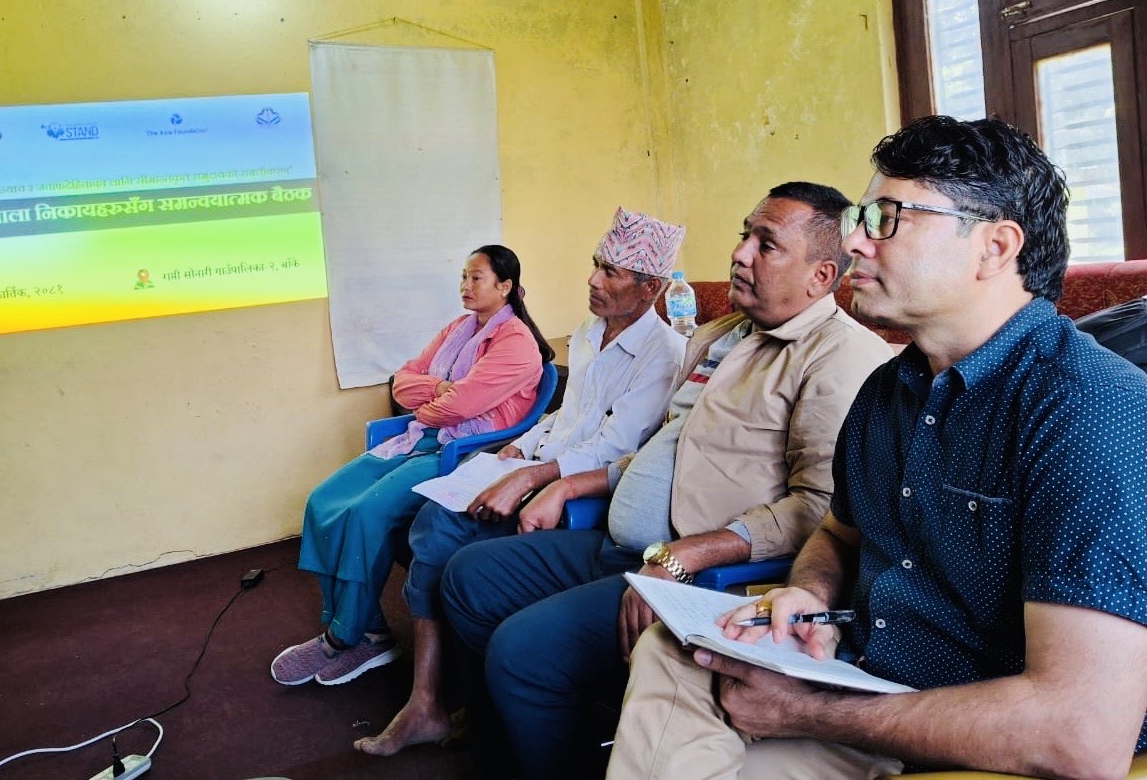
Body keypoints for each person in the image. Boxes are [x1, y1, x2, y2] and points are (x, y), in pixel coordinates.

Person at [610, 116, 1147, 779]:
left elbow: (1081, 737)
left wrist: (802, 712)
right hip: (869, 691)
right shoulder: (889, 389)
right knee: (677, 650)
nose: (855, 240)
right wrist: (806, 593)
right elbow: (839, 532)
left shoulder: (1085, 408)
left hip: (983, 741)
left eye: (886, 218)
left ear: (994, 247)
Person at [439, 183, 894, 778]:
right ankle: (518, 733)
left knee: (522, 653)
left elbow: (821, 507)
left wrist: (684, 556)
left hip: (704, 574)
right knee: (468, 576)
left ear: (820, 275)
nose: (740, 254)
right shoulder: (719, 335)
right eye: (744, 235)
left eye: (767, 245)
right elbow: (663, 448)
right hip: (627, 545)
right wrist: (571, 485)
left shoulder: (838, 357)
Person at [352, 206, 688, 756]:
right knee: (433, 517)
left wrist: (533, 473)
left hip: (585, 495)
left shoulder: (664, 354)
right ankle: (442, 698)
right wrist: (520, 446)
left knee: (446, 539)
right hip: (541, 467)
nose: (592, 280)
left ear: (650, 288)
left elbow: (618, 446)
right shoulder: (588, 333)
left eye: (610, 272)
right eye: (595, 265)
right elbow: (566, 415)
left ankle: (438, 700)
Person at [270, 244, 553, 688]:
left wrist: (436, 400)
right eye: (463, 276)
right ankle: (369, 627)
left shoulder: (517, 343)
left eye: (476, 277)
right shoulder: (459, 328)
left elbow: (462, 407)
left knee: (366, 513)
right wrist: (440, 388)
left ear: (505, 286)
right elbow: (402, 382)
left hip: (462, 453)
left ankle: (346, 637)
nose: (465, 285)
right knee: (323, 501)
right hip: (420, 437)